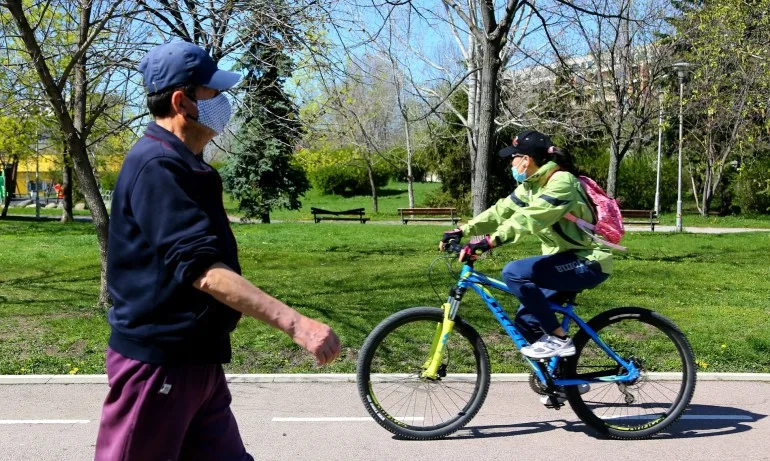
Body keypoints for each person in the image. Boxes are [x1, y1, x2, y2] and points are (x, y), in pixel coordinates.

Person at [94, 41, 341, 461]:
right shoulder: (158, 166)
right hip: (159, 367)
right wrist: (297, 324)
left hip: (196, 363)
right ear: (182, 101)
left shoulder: (182, 163)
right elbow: (204, 270)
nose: (223, 102)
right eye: (213, 92)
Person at [439, 130, 612, 360]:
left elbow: (530, 218)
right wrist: (463, 230)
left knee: (514, 273)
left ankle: (559, 339)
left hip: (588, 261)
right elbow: (500, 212)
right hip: (562, 260)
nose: (511, 162)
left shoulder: (562, 182)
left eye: (513, 157)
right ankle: (561, 383)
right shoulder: (531, 186)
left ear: (526, 160)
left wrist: (490, 241)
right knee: (525, 321)